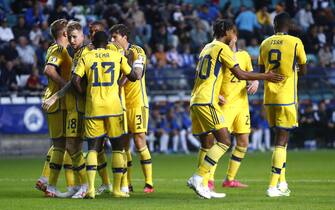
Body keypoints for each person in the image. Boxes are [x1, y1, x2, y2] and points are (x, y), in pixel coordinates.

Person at [187, 19, 283, 199]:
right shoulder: (222, 48)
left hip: (198, 99)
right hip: (207, 101)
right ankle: (199, 178)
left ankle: (204, 183)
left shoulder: (206, 48)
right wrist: (266, 76)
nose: (235, 36)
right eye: (234, 32)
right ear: (227, 32)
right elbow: (241, 74)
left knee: (213, 142)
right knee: (223, 141)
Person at [72, 31, 140, 198]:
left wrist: (84, 93)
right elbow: (132, 77)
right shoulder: (116, 55)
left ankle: (90, 190)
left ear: (93, 43)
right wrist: (129, 63)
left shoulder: (87, 57)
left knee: (93, 149)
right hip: (113, 107)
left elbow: (75, 81)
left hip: (93, 106)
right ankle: (117, 189)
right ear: (107, 42)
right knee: (117, 148)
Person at [258, 12, 307, 197]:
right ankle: (272, 186)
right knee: (281, 141)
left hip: (270, 98)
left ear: (274, 24)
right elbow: (303, 70)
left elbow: (262, 72)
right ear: (290, 25)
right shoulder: (295, 42)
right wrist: (293, 70)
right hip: (286, 97)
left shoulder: (264, 43)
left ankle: (282, 183)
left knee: (280, 141)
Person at [110, 24, 154, 193]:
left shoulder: (137, 51)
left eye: (115, 37)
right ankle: (126, 184)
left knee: (139, 139)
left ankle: (149, 183)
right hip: (120, 105)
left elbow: (138, 73)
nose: (112, 40)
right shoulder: (112, 53)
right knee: (123, 144)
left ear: (124, 37)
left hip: (137, 103)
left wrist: (122, 76)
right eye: (111, 37)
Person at [217, 27, 259, 189]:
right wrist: (215, 94)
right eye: (228, 34)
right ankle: (208, 178)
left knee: (243, 141)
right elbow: (211, 78)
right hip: (225, 105)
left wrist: (255, 81)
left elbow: (250, 73)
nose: (231, 37)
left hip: (242, 105)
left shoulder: (244, 55)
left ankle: (230, 179)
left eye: (233, 34)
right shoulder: (219, 55)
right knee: (219, 142)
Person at [39, 19, 74, 197]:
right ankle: (55, 185)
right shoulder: (58, 49)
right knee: (64, 145)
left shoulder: (61, 50)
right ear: (64, 34)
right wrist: (66, 84)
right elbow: (49, 70)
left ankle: (48, 183)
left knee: (60, 145)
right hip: (58, 102)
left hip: (58, 103)